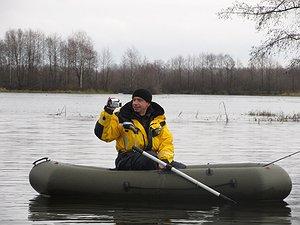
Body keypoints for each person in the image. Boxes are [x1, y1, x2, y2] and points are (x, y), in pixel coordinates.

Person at [94, 89, 185, 170]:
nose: (135, 103)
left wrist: (164, 160)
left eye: (139, 100)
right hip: (126, 159)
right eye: (134, 100)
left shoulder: (158, 121)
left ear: (148, 104)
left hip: (152, 158)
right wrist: (108, 112)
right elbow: (104, 136)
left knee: (181, 167)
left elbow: (166, 143)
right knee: (150, 158)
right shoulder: (121, 117)